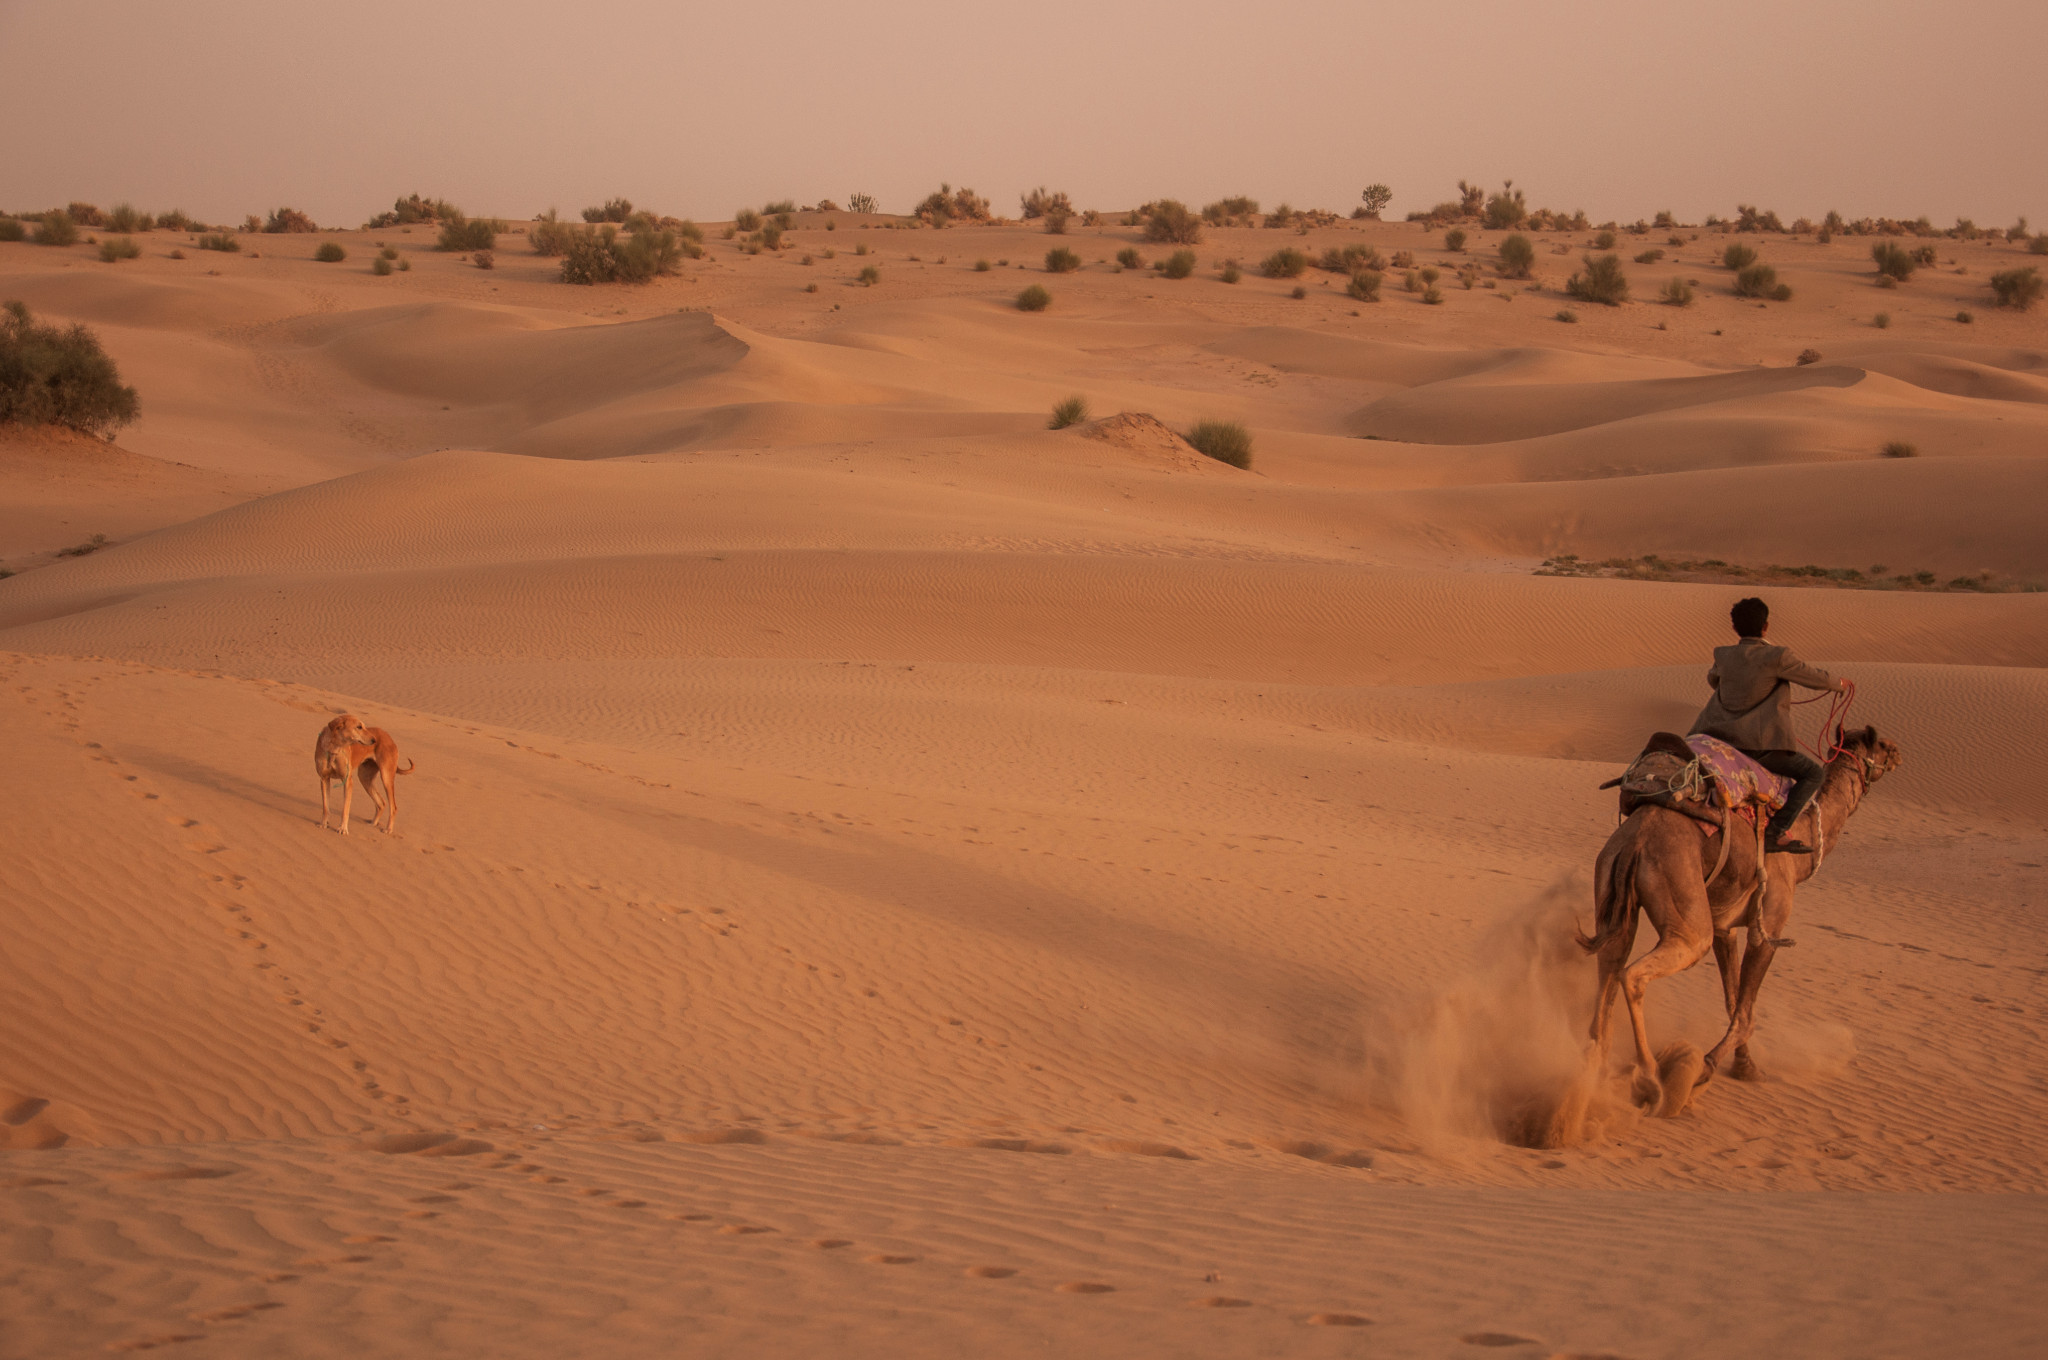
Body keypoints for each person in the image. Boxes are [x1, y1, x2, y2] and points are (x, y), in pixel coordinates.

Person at [1688, 597, 1849, 855]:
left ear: (1735, 628)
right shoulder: (1778, 656)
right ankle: (1775, 832)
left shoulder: (1724, 654)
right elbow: (1814, 678)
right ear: (1766, 626)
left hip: (1716, 737)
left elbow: (1713, 680)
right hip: (1758, 747)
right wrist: (1840, 684)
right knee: (1813, 775)